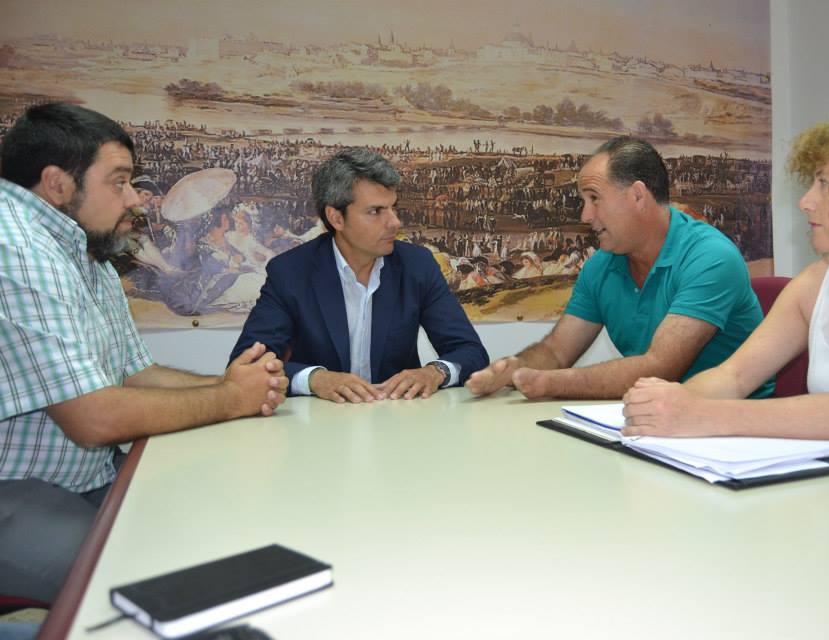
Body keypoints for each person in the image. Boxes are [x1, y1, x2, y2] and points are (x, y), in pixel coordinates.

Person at [0, 103, 288, 603]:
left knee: (206, 524)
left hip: (80, 476)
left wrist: (237, 386)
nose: (135, 198)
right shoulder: (15, 245)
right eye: (119, 182)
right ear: (57, 183)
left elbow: (133, 372)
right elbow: (93, 417)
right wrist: (231, 399)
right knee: (154, 579)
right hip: (15, 487)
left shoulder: (85, 251)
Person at [621, 113, 829, 470]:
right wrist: (660, 408)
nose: (805, 201)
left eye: (824, 183)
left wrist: (702, 414)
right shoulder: (818, 282)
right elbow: (733, 376)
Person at [467, 136, 770, 400]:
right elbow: (556, 351)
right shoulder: (601, 265)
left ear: (638, 196)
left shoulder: (710, 256)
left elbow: (660, 368)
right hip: (654, 418)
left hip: (736, 426)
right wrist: (514, 369)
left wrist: (546, 382)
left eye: (594, 198)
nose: (585, 215)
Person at [231, 147, 489, 403]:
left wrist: (435, 372)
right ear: (336, 218)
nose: (395, 222)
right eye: (375, 211)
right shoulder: (290, 272)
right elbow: (248, 365)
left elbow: (471, 352)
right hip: (320, 419)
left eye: (393, 208)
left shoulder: (417, 266)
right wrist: (314, 379)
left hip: (397, 417)